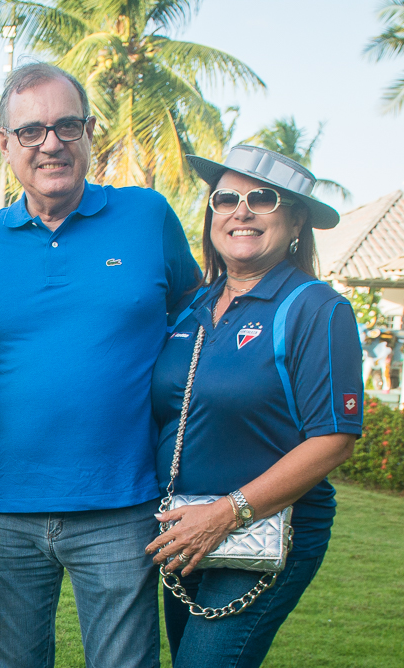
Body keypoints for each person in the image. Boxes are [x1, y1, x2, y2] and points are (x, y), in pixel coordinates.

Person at [0, 63, 202, 668]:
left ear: (91, 131)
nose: (51, 143)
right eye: (32, 130)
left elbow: (197, 331)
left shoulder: (148, 217)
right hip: (4, 508)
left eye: (68, 125)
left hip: (122, 504)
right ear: (5, 144)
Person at [145, 145, 361, 668]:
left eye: (262, 198)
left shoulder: (316, 308)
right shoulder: (191, 307)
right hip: (185, 531)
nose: (241, 211)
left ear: (295, 222)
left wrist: (225, 512)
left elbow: (334, 438)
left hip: (264, 533)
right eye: (226, 198)